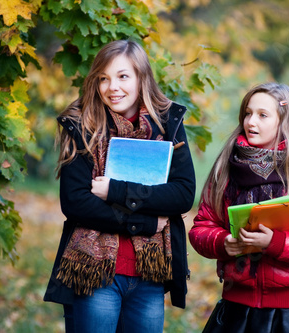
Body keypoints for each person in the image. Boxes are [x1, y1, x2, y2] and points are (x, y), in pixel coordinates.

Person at [43, 40, 196, 333]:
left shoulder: (168, 126)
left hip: (149, 274)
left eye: (123, 76)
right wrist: (147, 220)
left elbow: (182, 193)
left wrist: (115, 191)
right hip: (94, 273)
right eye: (103, 78)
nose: (112, 87)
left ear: (142, 78)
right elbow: (76, 203)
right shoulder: (83, 125)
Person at [189, 82, 289, 333]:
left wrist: (276, 242)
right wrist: (223, 242)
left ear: (284, 121)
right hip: (235, 312)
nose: (251, 122)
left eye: (262, 115)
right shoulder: (226, 168)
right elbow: (200, 228)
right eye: (248, 113)